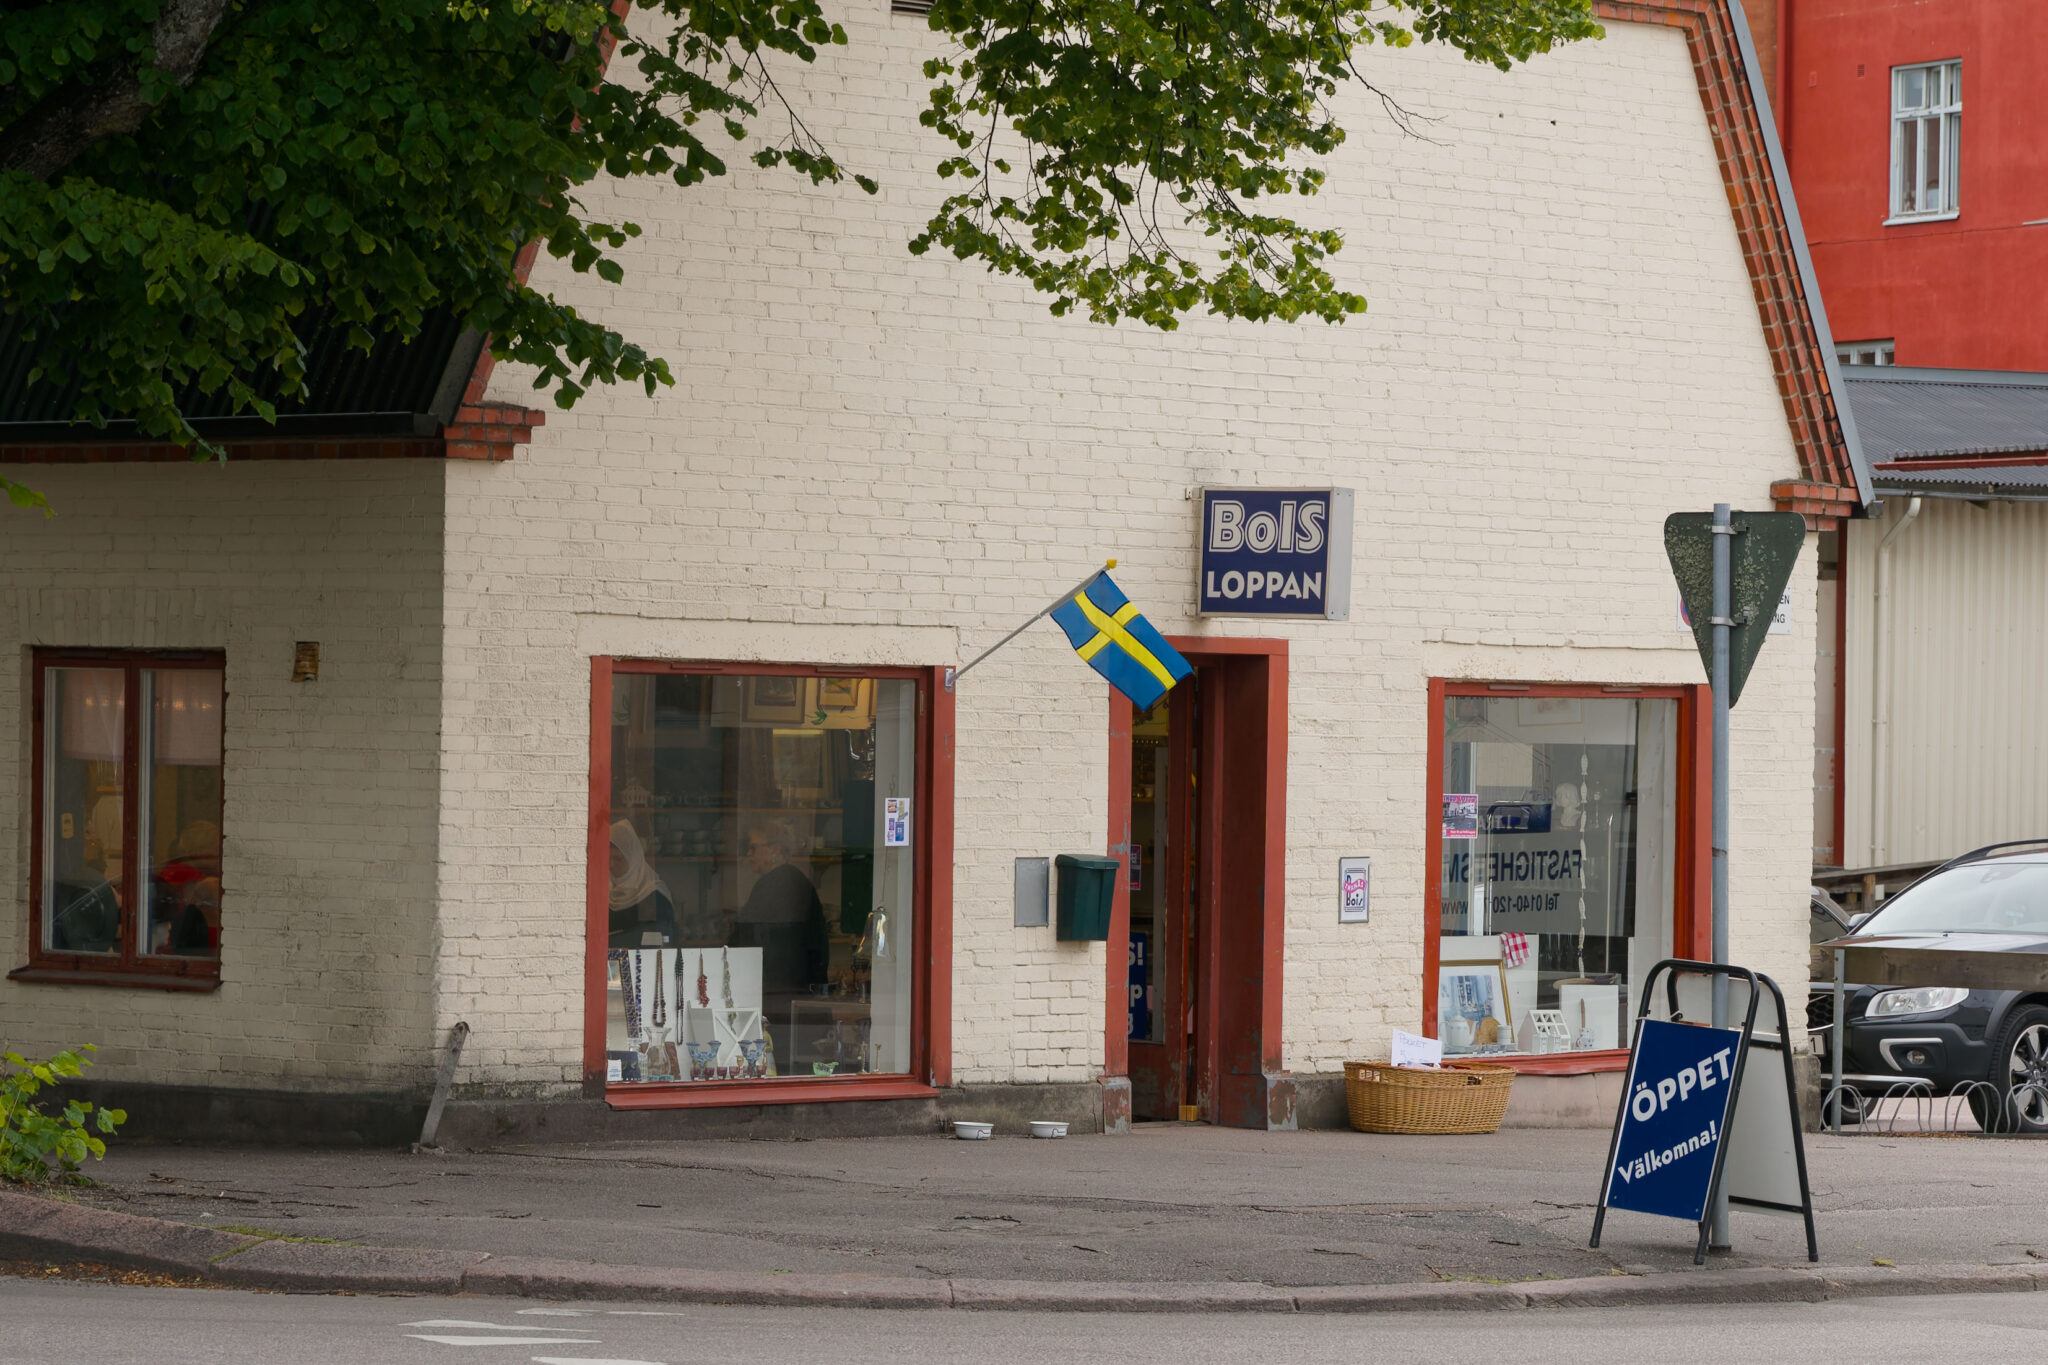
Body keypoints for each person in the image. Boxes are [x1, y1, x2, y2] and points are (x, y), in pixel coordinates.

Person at [736, 821, 826, 995]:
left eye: (753, 847)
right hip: (794, 987)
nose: (748, 854)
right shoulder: (789, 880)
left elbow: (751, 936)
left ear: (775, 850)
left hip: (783, 991)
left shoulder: (778, 883)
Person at [608, 820, 677, 948]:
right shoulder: (605, 892)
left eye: (618, 858)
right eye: (608, 858)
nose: (611, 865)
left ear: (634, 858)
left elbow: (658, 939)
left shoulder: (653, 894)